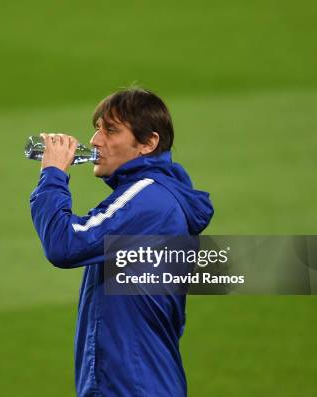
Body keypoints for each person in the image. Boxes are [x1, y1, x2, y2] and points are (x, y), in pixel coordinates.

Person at [29, 87, 214, 396]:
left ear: (148, 143)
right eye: (97, 129)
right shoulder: (154, 197)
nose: (95, 141)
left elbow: (64, 245)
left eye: (110, 130)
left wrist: (53, 174)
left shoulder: (149, 198)